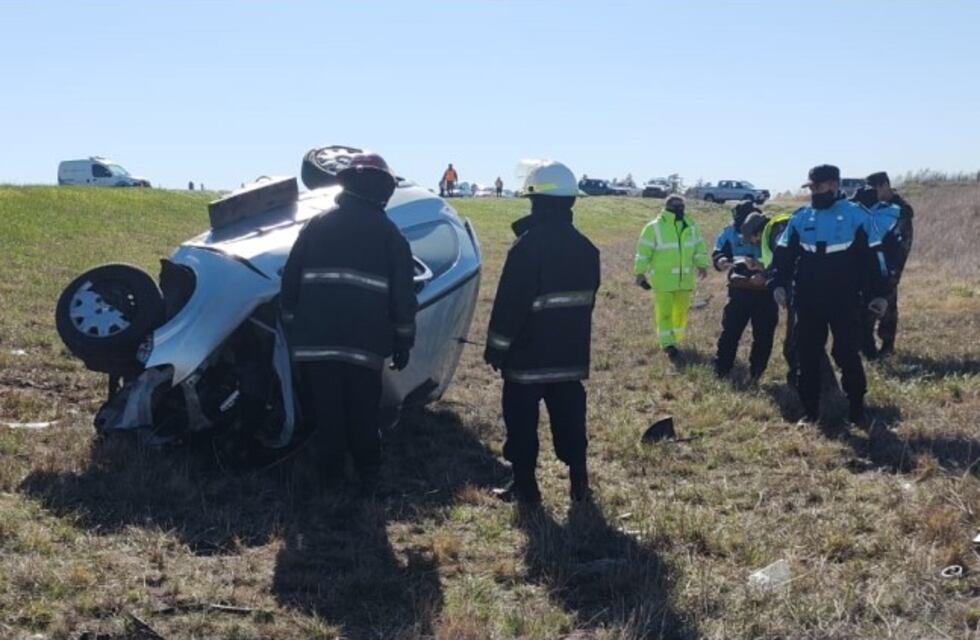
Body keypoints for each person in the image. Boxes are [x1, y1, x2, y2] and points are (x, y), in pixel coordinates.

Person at [280, 150, 417, 491]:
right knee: (362, 408)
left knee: (328, 410)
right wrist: (403, 341)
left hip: (315, 341)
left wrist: (293, 325)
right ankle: (368, 472)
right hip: (364, 344)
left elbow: (290, 280)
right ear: (383, 191)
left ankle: (330, 477)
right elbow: (404, 296)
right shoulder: (390, 235)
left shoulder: (318, 225)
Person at [483, 160, 601, 505]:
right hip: (569, 359)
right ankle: (579, 484)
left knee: (521, 425)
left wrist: (496, 347)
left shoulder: (527, 246)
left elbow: (509, 305)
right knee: (570, 423)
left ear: (537, 200)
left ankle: (525, 487)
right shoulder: (587, 248)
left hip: (526, 360)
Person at [769, 165, 890, 426]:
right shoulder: (801, 217)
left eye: (817, 187)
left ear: (833, 186)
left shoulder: (857, 216)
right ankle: (811, 413)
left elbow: (876, 257)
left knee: (847, 353)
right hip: (807, 299)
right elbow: (783, 255)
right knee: (806, 354)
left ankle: (857, 410)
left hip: (844, 298)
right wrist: (778, 283)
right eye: (810, 187)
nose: (813, 192)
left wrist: (880, 294)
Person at [634, 195, 709, 362]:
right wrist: (640, 273)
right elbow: (643, 252)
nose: (679, 210)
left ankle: (675, 340)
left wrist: (702, 264)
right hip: (663, 281)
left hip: (685, 280)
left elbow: (698, 247)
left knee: (681, 313)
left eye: (681, 207)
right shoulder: (653, 228)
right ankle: (668, 344)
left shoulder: (691, 226)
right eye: (676, 207)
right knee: (665, 314)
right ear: (667, 208)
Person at [713, 207, 778, 383]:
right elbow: (718, 251)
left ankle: (756, 373)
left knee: (763, 335)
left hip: (765, 293)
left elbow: (782, 263)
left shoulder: (775, 234)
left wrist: (764, 274)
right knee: (731, 331)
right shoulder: (729, 231)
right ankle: (722, 369)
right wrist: (721, 261)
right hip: (739, 290)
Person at [862, 171, 914, 358]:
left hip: (890, 263)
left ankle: (887, 346)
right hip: (870, 263)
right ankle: (868, 348)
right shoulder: (870, 204)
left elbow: (903, 245)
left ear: (884, 185)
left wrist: (894, 272)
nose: (872, 192)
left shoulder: (900, 209)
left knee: (888, 306)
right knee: (866, 307)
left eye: (874, 188)